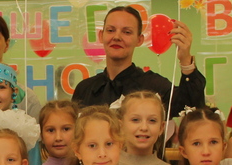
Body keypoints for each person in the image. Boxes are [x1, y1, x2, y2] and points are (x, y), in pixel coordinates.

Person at [70, 6, 206, 115]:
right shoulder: (85, 89)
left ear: (139, 40)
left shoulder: (154, 86)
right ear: (101, 36)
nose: (117, 37)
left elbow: (191, 109)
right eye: (110, 30)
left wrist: (186, 61)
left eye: (127, 32)